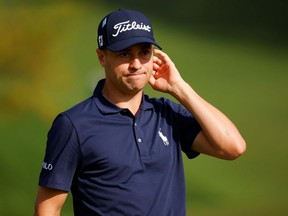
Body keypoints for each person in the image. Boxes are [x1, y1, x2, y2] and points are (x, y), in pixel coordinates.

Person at [34, 9, 246, 216]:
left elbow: (232, 147)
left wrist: (180, 88)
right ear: (102, 57)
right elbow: (47, 209)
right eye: (124, 54)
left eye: (144, 52)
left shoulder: (167, 113)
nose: (136, 64)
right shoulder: (74, 124)